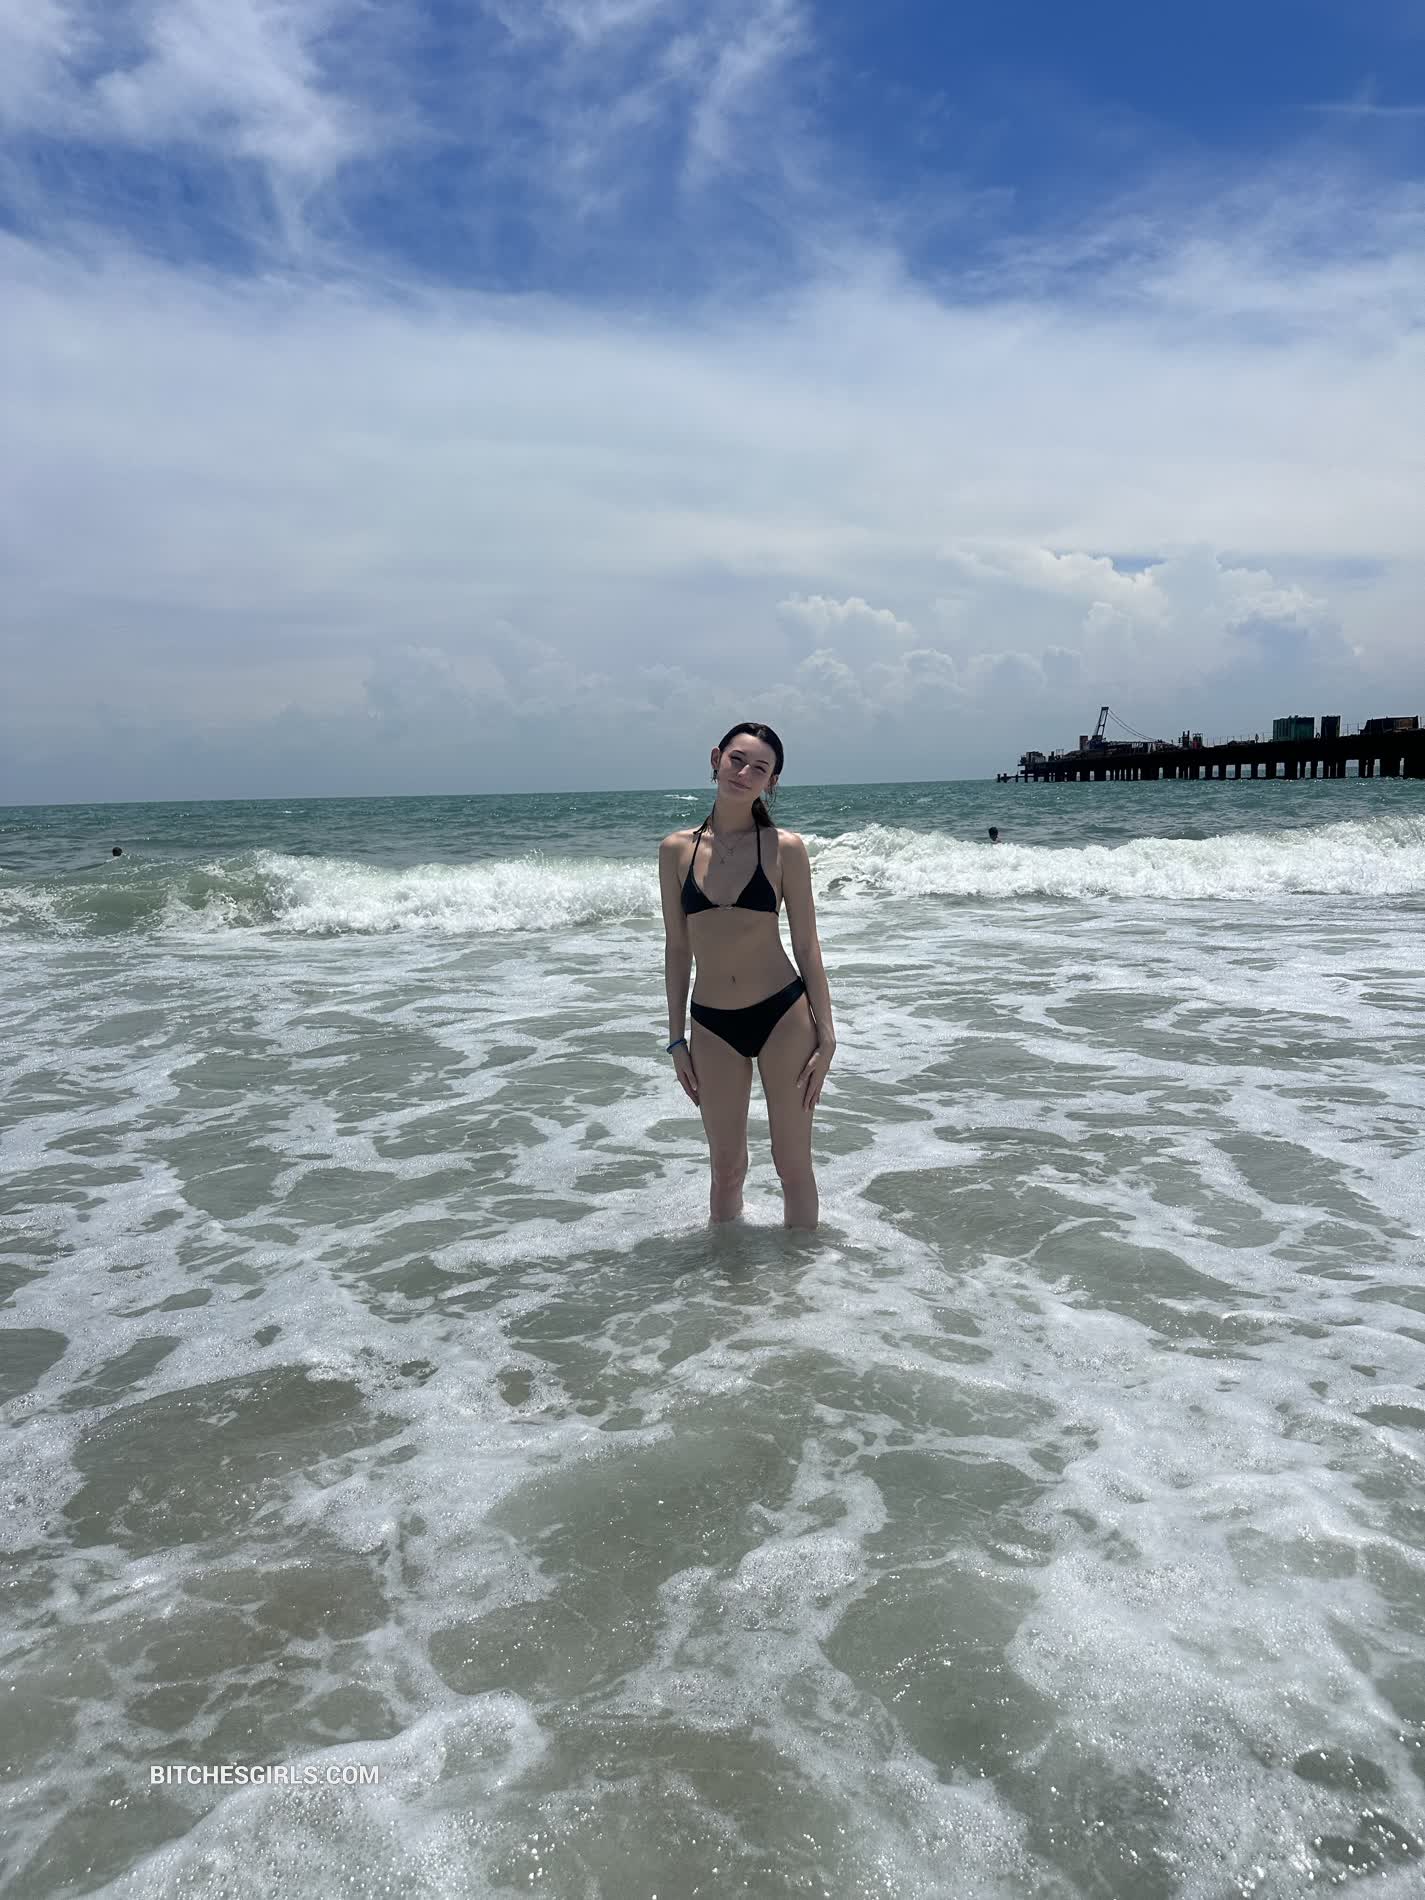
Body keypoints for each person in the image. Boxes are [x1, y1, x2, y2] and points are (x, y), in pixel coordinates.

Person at [658, 722, 835, 1230]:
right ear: (716, 759)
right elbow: (677, 948)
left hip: (784, 1016)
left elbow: (807, 945)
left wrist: (827, 1036)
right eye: (737, 760)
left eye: (760, 768)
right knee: (727, 1168)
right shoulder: (676, 850)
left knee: (791, 1164)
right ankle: (726, 1275)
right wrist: (676, 1040)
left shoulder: (785, 848)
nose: (744, 773)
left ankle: (804, 1275)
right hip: (712, 1024)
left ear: (771, 782)